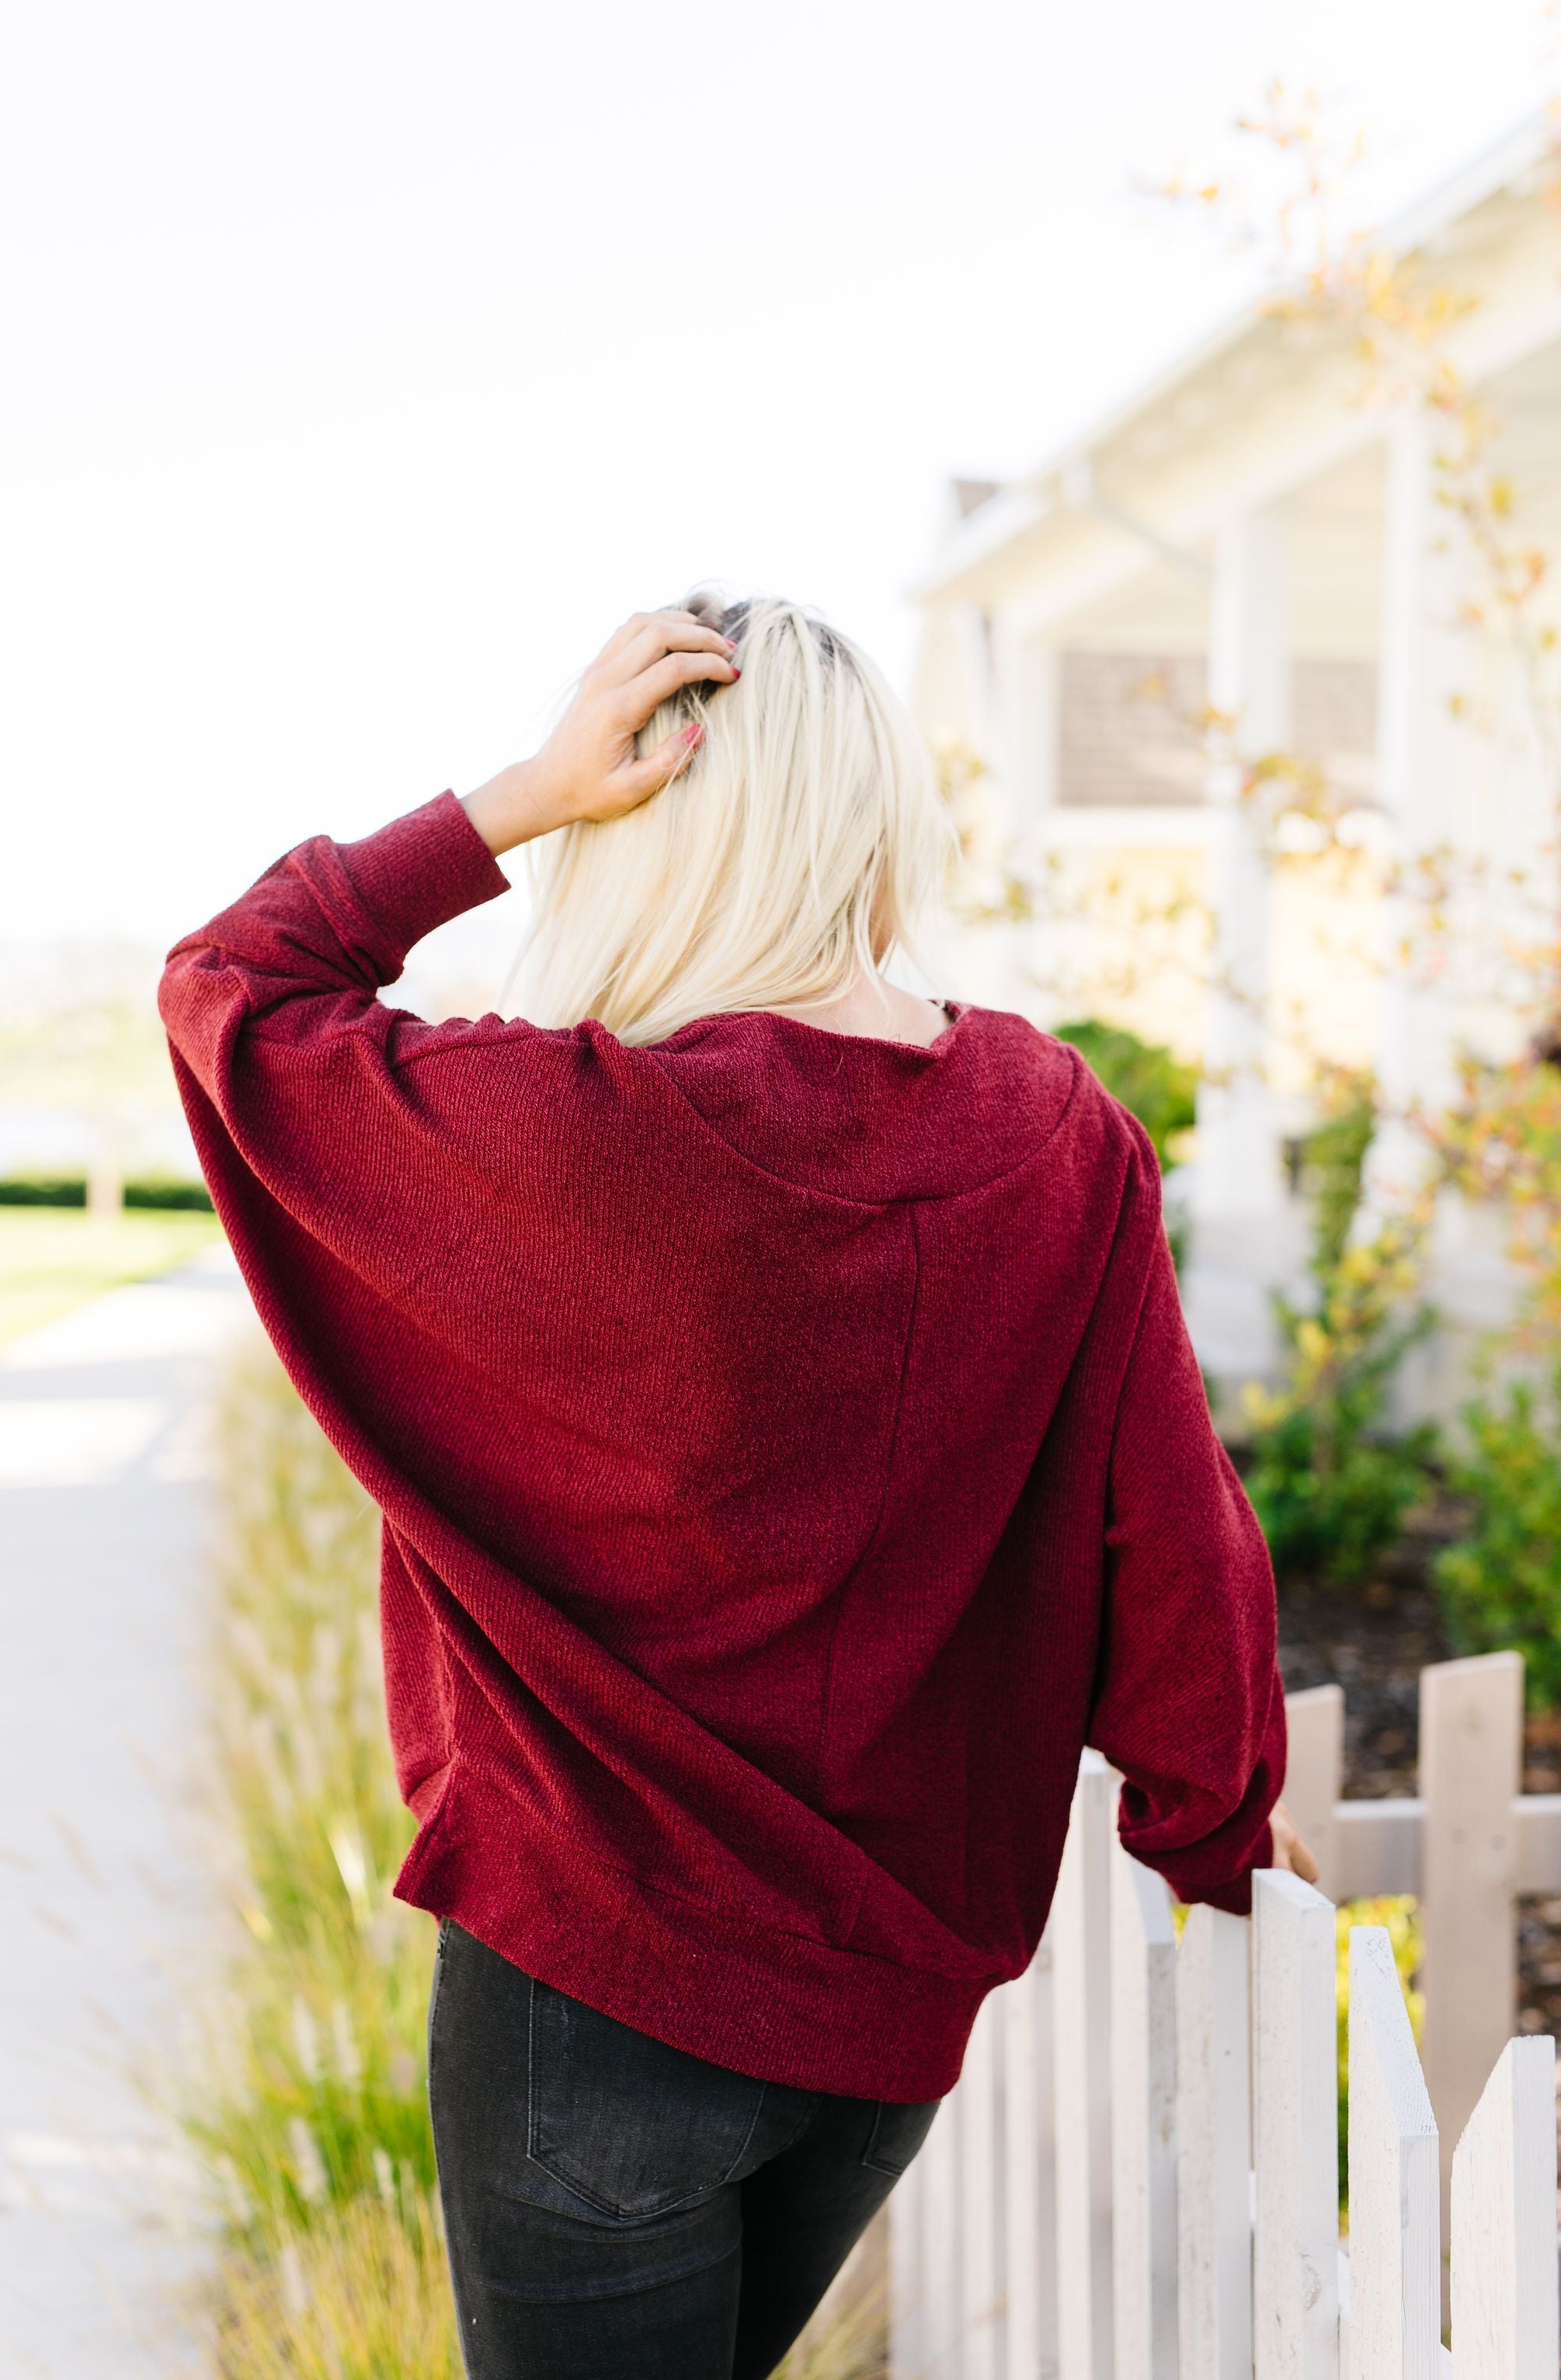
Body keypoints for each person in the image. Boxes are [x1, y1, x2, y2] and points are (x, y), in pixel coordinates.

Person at [159, 595, 1314, 2380]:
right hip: (882, 2027)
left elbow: (234, 988)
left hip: (592, 1995)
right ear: (873, 814)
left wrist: (514, 803)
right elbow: (1169, 1534)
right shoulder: (1054, 1129)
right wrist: (1217, 1826)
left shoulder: (566, 1134)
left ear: (651, 828)